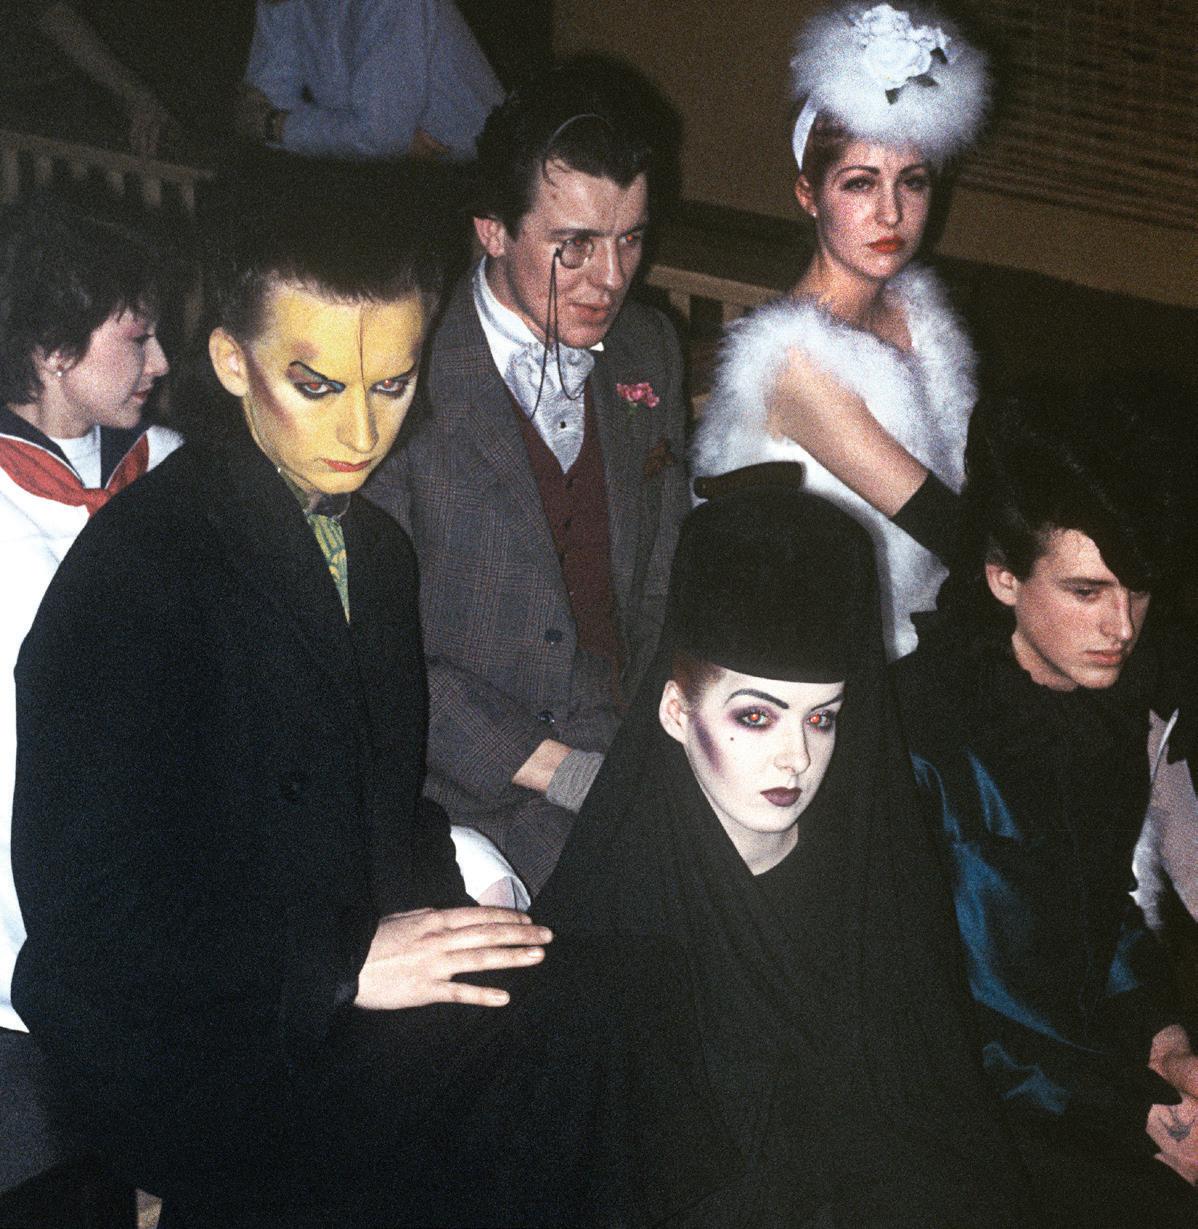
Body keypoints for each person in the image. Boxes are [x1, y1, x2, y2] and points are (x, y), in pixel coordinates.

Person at [10, 154, 731, 1227]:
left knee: (634, 997)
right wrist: (340, 965)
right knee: (576, 1054)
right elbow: (91, 926)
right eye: (318, 386)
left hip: (334, 981)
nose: (360, 432)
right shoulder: (136, 576)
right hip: (201, 1037)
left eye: (391, 385)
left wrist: (451, 915)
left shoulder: (376, 552)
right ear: (232, 361)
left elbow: (373, 809)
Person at [537, 466, 1034, 1226]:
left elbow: (939, 1130)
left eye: (823, 718)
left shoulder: (878, 894)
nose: (796, 758)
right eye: (757, 717)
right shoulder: (611, 919)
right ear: (675, 712)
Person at [367, 61, 690, 892]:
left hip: (627, 759)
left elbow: (663, 584)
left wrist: (662, 743)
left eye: (630, 239)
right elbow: (378, 652)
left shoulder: (650, 349)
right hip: (455, 796)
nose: (610, 278)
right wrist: (567, 773)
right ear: (492, 229)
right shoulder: (400, 368)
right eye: (573, 245)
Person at [892, 377, 1198, 1223]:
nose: (1122, 627)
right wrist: (1132, 1112)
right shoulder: (920, 732)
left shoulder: (1101, 705)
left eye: (1137, 589)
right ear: (1002, 579)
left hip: (1085, 1083)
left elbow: (1101, 906)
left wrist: (1166, 1042)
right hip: (959, 1112)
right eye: (1086, 591)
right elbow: (928, 1010)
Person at [691, 2, 990, 658]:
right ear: (809, 194)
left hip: (922, 614)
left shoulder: (919, 314)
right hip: (813, 650)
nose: (891, 213)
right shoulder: (795, 361)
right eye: (859, 184)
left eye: (913, 182)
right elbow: (948, 527)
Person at [0, 185, 178, 1037]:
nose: (162, 362)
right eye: (138, 338)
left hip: (158, 887)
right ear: (51, 349)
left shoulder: (175, 471)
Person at [237, 0, 503, 160]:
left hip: (479, 186)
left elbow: (379, 138)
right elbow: (257, 109)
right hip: (389, 181)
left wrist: (278, 126)